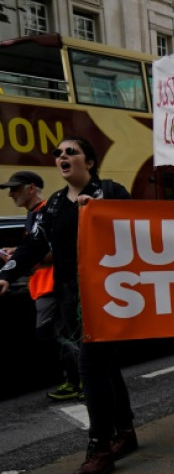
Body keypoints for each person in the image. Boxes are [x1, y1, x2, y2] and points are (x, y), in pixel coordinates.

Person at [0, 137, 137, 474]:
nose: (62, 156)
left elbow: (136, 227)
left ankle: (101, 447)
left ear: (88, 162)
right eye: (58, 153)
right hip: (72, 300)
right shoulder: (56, 205)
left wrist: (101, 212)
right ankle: (127, 432)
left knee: (90, 369)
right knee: (106, 368)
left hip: (110, 296)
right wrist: (6, 273)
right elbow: (33, 246)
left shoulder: (111, 191)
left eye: (70, 152)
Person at [0, 171, 76, 400]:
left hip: (55, 284)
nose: (11, 194)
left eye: (15, 188)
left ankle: (80, 380)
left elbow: (56, 251)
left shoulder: (46, 212)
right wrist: (20, 253)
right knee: (57, 333)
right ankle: (76, 380)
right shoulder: (33, 214)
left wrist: (28, 256)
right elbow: (36, 247)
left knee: (55, 333)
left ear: (31, 188)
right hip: (43, 285)